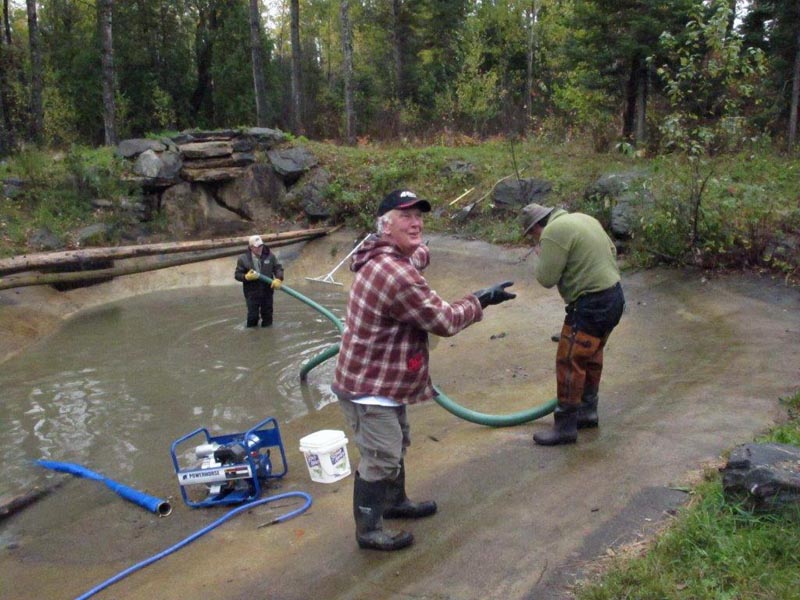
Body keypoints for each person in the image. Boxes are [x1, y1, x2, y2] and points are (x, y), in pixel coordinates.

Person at [332, 189, 516, 551]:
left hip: (381, 381)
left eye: (419, 215)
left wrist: (419, 247)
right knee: (381, 456)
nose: (416, 222)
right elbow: (445, 321)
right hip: (369, 387)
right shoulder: (394, 274)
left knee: (396, 443)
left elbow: (416, 255)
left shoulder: (384, 254)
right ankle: (368, 530)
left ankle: (394, 503)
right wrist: (481, 300)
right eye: (406, 216)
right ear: (386, 226)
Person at [521, 203, 625, 446]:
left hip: (591, 303)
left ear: (537, 226)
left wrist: (542, 253)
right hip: (614, 297)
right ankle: (587, 411)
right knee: (591, 356)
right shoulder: (583, 218)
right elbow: (611, 251)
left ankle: (565, 426)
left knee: (569, 361)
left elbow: (546, 278)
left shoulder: (554, 232)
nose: (535, 240)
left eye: (532, 236)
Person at [234, 235, 284, 328]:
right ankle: (252, 337)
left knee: (268, 316)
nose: (260, 248)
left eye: (261, 246)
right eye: (257, 247)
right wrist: (246, 277)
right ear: (251, 247)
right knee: (253, 316)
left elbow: (278, 268)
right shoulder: (243, 259)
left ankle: (268, 337)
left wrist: (278, 278)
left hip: (267, 291)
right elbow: (237, 275)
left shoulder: (270, 256)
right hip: (252, 293)